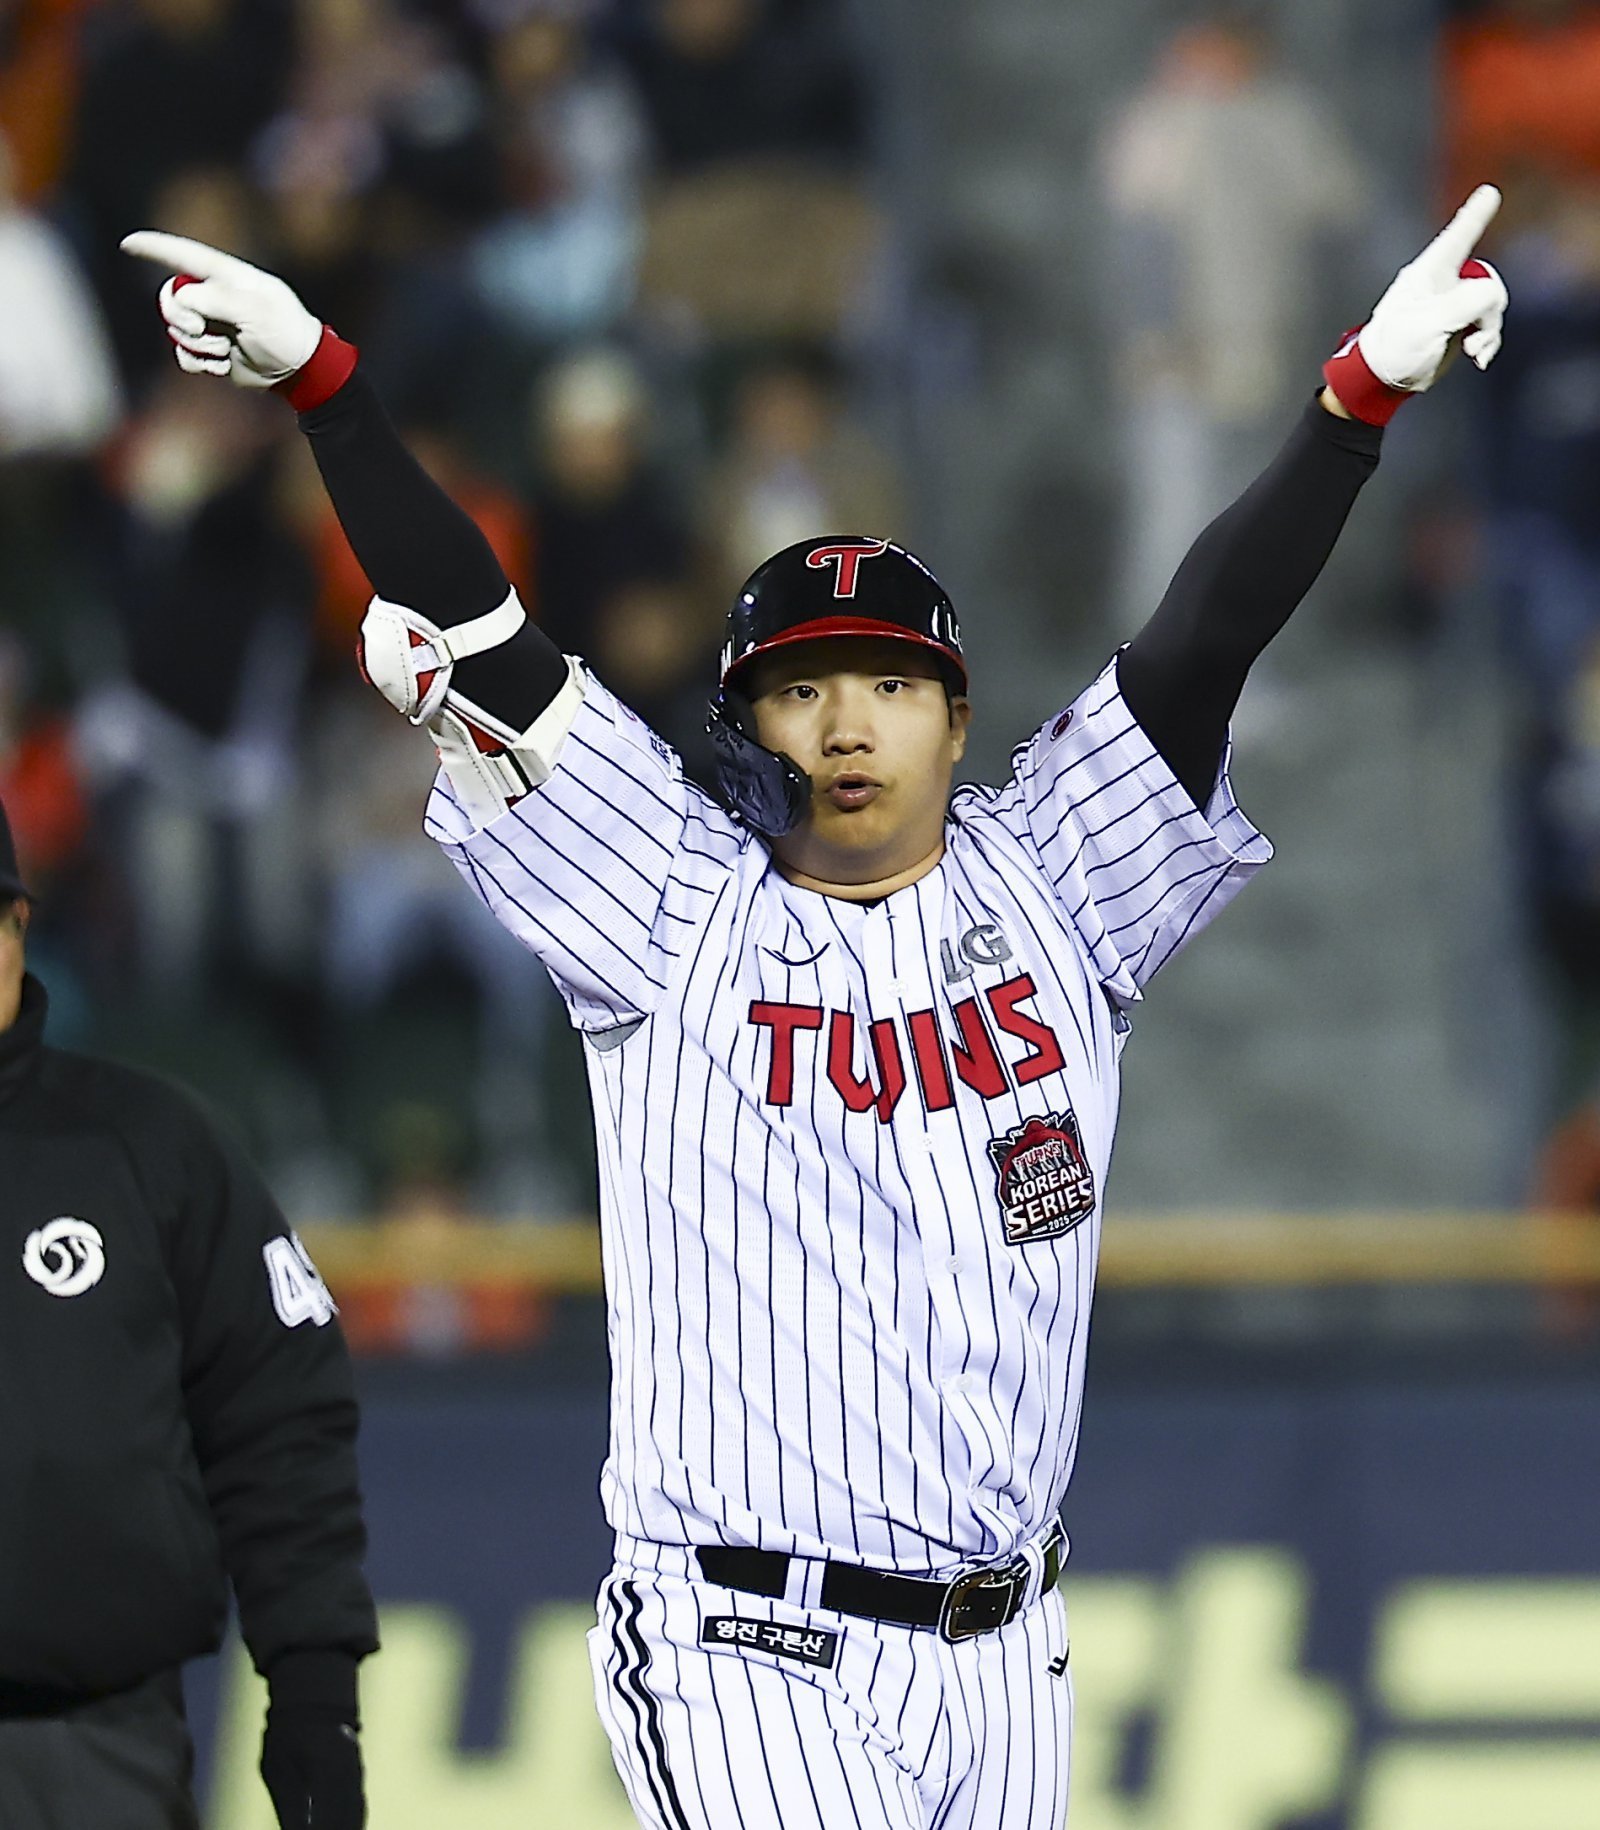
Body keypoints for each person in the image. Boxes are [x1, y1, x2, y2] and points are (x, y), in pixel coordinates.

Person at [123, 186, 1508, 1828]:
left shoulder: (1056, 877)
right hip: (744, 1637)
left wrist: (1357, 404)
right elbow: (491, 637)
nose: (847, 721)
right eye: (801, 686)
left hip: (1010, 1654)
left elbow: (1206, 637)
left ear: (955, 715)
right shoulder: (672, 898)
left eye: (890, 683)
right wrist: (328, 390)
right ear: (742, 725)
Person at [0, 791, 377, 1828]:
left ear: (19, 928)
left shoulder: (153, 1147)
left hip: (90, 1746)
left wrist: (313, 1692)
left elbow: (279, 1428)